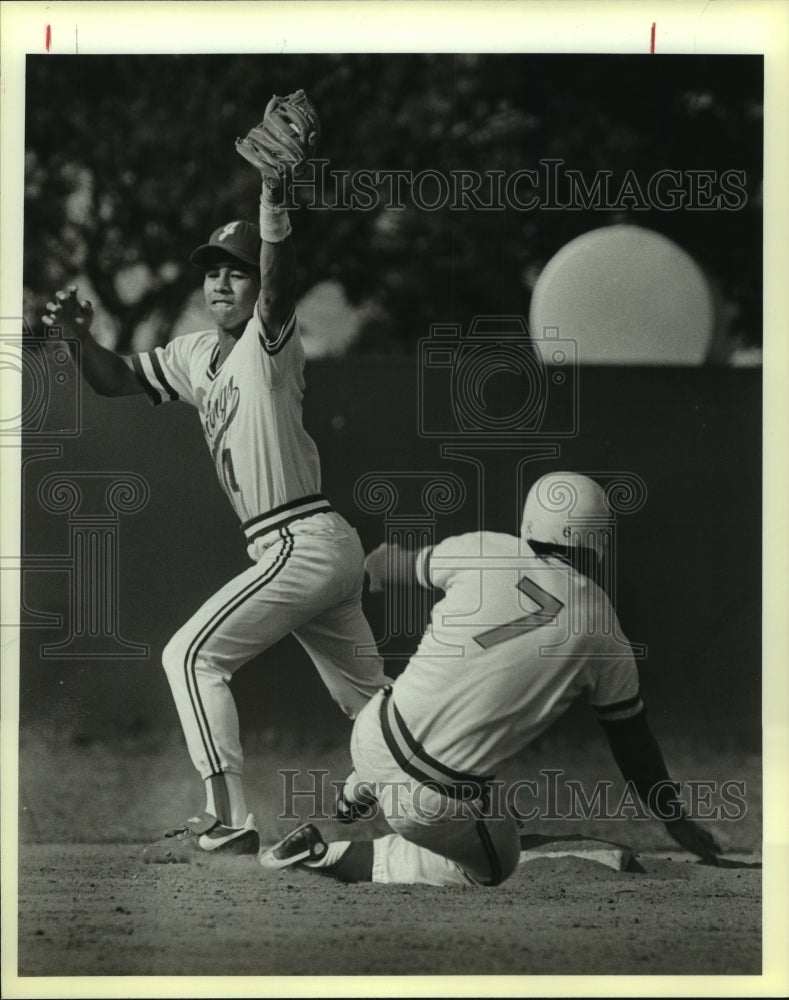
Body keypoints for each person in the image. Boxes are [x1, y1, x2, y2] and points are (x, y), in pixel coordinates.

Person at [41, 119, 390, 861]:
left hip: (299, 541)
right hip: (318, 547)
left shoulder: (271, 342)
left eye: (235, 269)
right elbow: (115, 381)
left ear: (256, 284)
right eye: (212, 271)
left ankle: (228, 815)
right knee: (370, 704)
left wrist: (272, 203)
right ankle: (455, 783)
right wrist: (77, 340)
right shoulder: (197, 354)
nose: (221, 281)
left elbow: (281, 279)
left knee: (191, 656)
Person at [260, 471, 722, 886]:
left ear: (530, 522)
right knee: (499, 863)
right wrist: (675, 820)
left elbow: (382, 565)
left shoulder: (487, 548)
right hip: (429, 802)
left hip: (373, 729)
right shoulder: (604, 628)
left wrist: (380, 568)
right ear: (598, 541)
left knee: (484, 796)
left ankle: (365, 781)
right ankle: (332, 855)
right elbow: (632, 741)